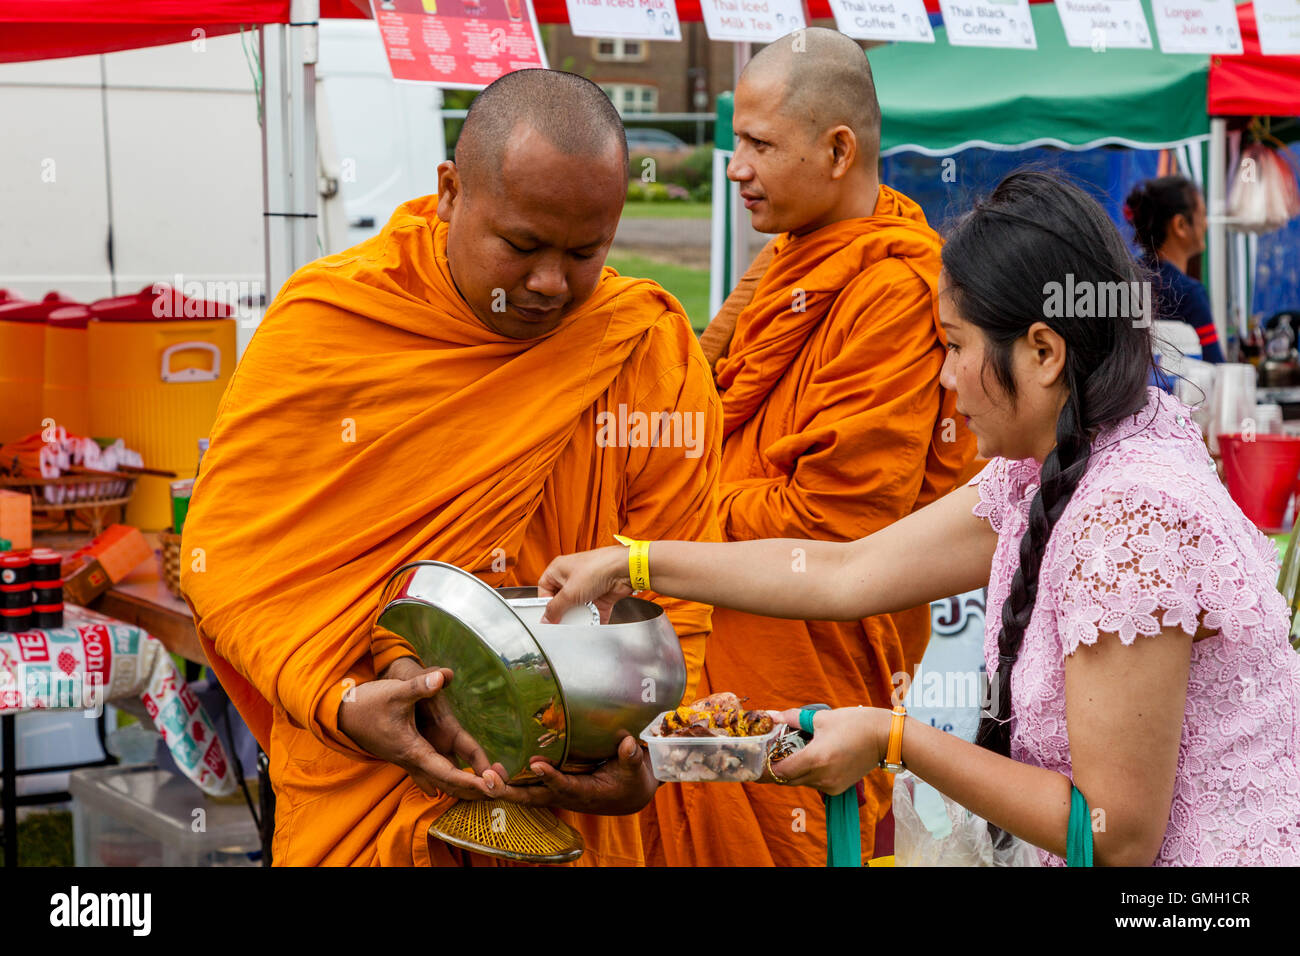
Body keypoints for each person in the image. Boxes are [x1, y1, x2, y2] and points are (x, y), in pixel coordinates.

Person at [540, 171, 1300, 866]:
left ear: (1042, 352)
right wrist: (635, 563)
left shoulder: (1132, 518)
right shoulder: (1070, 455)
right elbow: (847, 570)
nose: (943, 376)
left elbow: (1116, 835)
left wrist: (892, 738)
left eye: (955, 345)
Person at [181, 69, 724, 867]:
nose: (550, 283)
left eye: (585, 251)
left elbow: (678, 598)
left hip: (567, 802)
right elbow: (230, 563)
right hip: (366, 789)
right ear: (448, 191)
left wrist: (646, 758)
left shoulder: (640, 348)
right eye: (522, 244)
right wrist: (340, 701)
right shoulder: (334, 328)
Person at [616, 27, 977, 867]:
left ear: (837, 149)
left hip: (804, 661)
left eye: (758, 144)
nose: (735, 167)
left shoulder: (890, 289)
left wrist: (671, 526)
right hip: (714, 633)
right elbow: (708, 416)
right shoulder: (787, 266)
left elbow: (833, 520)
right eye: (735, 142)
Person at [1125, 175, 1225, 363]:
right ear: (1180, 225)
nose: (1206, 224)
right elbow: (1216, 366)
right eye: (1202, 216)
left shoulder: (1125, 278)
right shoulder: (1189, 294)